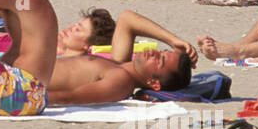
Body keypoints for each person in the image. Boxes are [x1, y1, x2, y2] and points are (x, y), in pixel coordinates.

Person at [45, 10, 196, 104]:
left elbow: (69, 98)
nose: (153, 52)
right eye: (161, 51)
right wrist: (173, 40)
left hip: (27, 82)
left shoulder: (121, 82)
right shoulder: (119, 63)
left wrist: (26, 98)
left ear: (154, 83)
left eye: (159, 60)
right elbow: (127, 18)